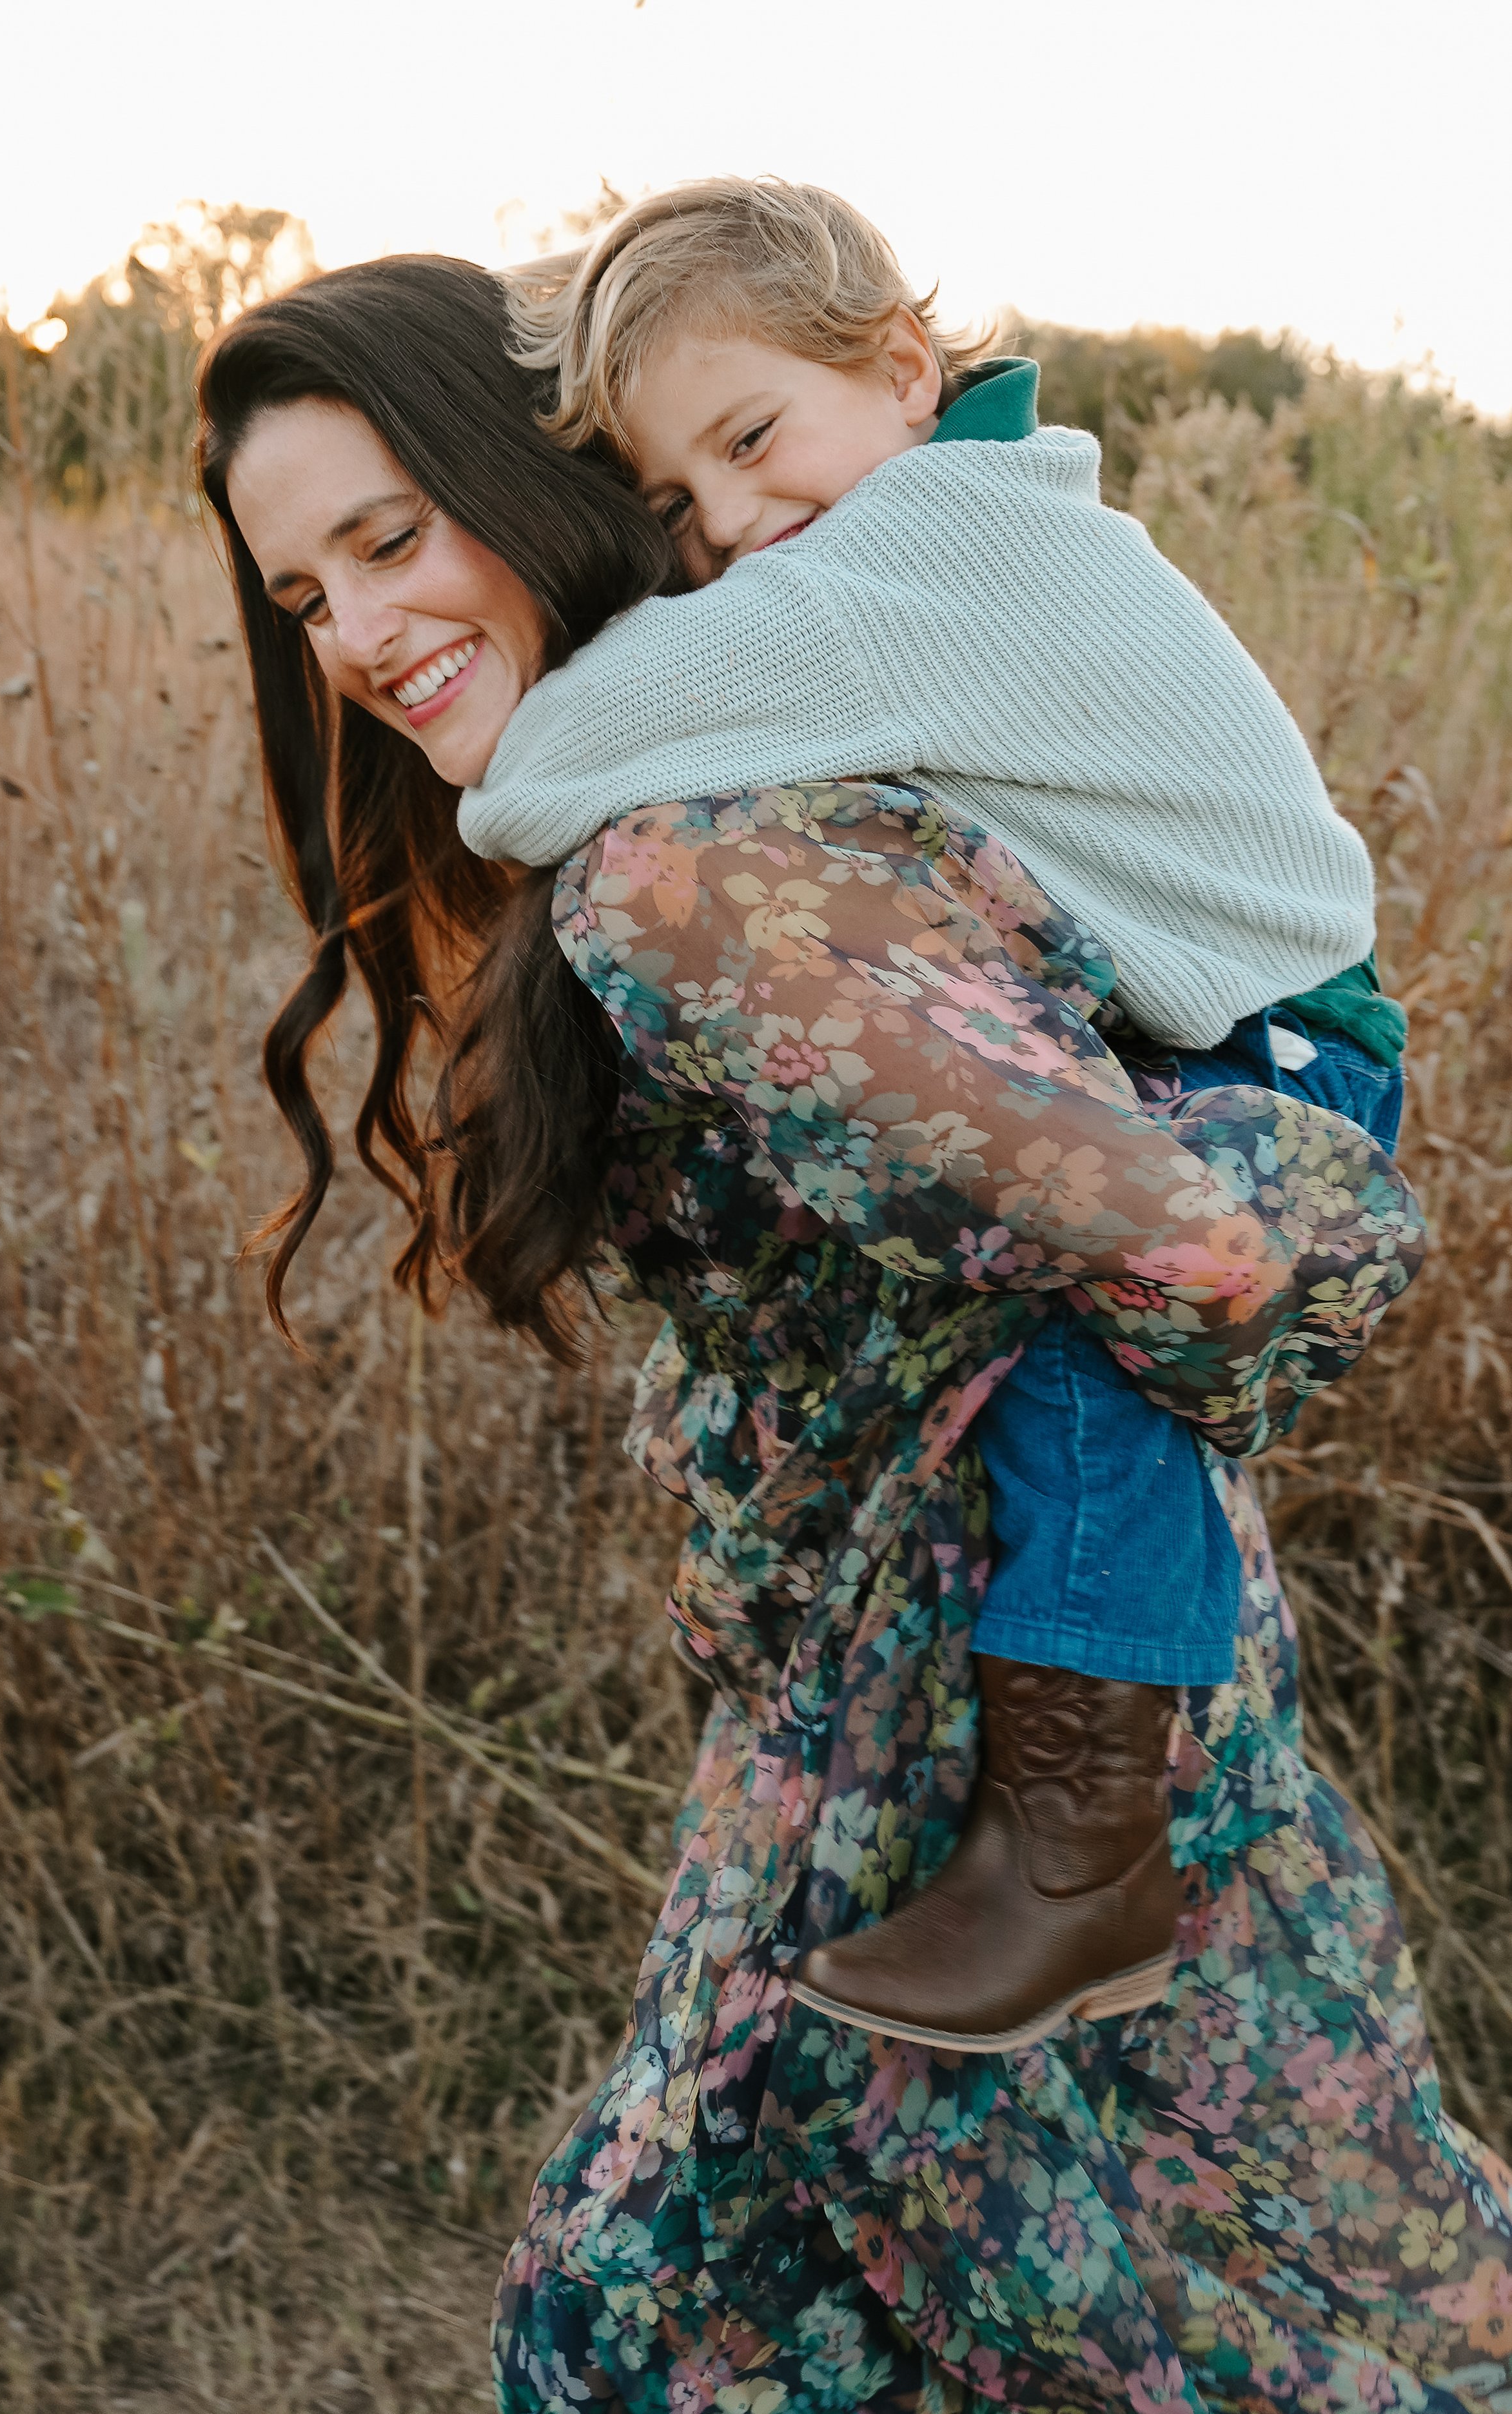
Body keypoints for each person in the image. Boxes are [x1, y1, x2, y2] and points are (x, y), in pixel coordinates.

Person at [194, 257, 1509, 2414]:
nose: (347, 636)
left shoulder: (693, 872)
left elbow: (1204, 1256)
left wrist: (1309, 1180)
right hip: (880, 1717)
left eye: (387, 540)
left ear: (537, 494)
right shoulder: (726, 803)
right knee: (1315, 2287)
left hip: (983, 1728)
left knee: (712, 2336)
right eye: (300, 591)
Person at [459, 177, 1409, 2052]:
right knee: (1069, 1331)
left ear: (899, 364)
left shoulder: (927, 552)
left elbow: (544, 766)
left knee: (1090, 1356)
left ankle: (1078, 1854)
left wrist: (543, 740)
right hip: (1231, 1019)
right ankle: (1077, 1851)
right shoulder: (989, 506)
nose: (733, 526)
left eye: (750, 439)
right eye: (677, 503)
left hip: (1268, 1051)